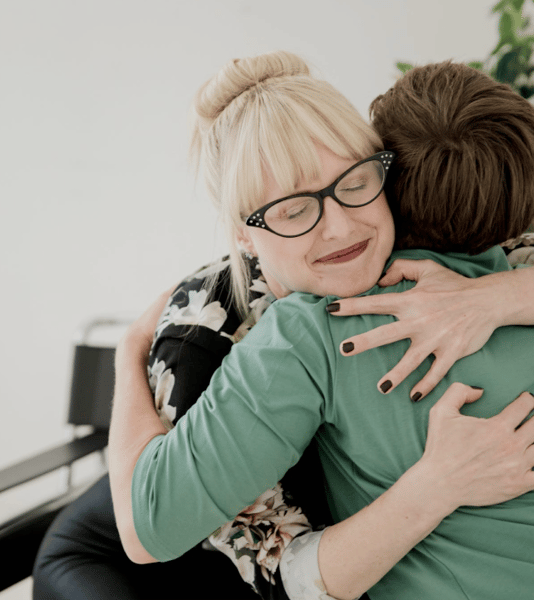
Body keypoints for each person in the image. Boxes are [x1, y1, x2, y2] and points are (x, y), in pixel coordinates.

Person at [33, 52, 534, 600]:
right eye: (295, 212)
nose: (340, 226)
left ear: (389, 172)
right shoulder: (215, 325)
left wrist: (494, 298)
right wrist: (128, 355)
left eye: (356, 182)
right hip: (161, 536)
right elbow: (143, 530)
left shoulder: (504, 255)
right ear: (244, 234)